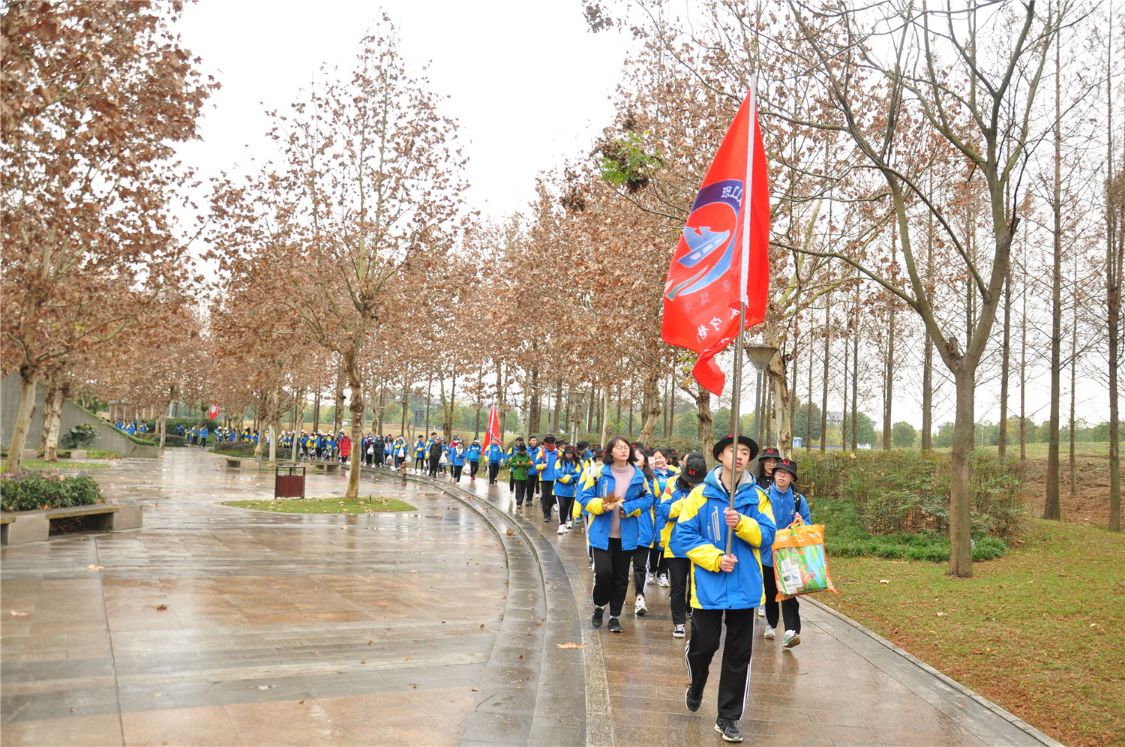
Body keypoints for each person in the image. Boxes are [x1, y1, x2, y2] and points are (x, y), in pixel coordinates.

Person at [673, 434, 776, 743]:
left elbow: (768, 536)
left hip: (745, 588)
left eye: (746, 452)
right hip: (708, 587)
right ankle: (697, 683)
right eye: (735, 451)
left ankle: (728, 717)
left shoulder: (758, 497)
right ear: (721, 456)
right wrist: (716, 559)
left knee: (738, 654)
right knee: (705, 646)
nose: (741, 456)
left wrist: (742, 523)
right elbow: (683, 537)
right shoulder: (700, 495)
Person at [577, 436, 654, 635]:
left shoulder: (638, 475)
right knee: (604, 573)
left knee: (621, 577)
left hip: (627, 534)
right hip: (601, 533)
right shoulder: (598, 472)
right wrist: (601, 506)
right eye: (619, 447)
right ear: (610, 452)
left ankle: (614, 617)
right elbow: (583, 497)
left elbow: (648, 499)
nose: (623, 450)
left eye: (626, 447)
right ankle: (599, 605)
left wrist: (628, 508)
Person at [760, 458, 812, 648]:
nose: (782, 475)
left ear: (792, 478)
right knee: (771, 591)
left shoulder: (798, 499)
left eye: (786, 473)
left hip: (789, 554)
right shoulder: (764, 495)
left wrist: (801, 521)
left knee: (789, 591)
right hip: (767, 552)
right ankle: (771, 624)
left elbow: (808, 522)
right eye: (779, 472)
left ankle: (792, 631)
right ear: (774, 475)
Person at [656, 451, 707, 638]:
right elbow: (664, 511)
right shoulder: (672, 484)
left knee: (696, 583)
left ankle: (692, 612)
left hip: (700, 545)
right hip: (676, 544)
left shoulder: (709, 488)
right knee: (677, 585)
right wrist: (686, 503)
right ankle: (678, 622)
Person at [630, 445, 656, 617]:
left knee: (640, 567)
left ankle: (640, 597)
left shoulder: (651, 482)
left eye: (639, 457)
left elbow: (655, 504)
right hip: (624, 529)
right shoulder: (620, 478)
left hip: (645, 530)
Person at [650, 447, 679, 588]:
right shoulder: (651, 474)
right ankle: (651, 570)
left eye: (661, 457)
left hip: (670, 511)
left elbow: (681, 473)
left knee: (667, 542)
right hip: (656, 513)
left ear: (667, 459)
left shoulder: (673, 474)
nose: (658, 460)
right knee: (656, 542)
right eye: (655, 458)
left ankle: (663, 573)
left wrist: (669, 467)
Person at [553, 448, 582, 535]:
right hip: (559, 487)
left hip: (571, 489)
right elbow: (557, 473)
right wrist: (568, 478)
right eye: (567, 453)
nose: (569, 455)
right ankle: (561, 524)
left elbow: (578, 475)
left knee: (567, 507)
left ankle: (565, 522)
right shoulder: (559, 462)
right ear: (565, 453)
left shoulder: (576, 463)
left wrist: (568, 479)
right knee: (561, 505)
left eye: (571, 453)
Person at [535, 434, 560, 524]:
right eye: (548, 441)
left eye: (551, 441)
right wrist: (542, 466)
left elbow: (563, 463)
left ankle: (549, 509)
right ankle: (546, 514)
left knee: (552, 497)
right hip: (544, 478)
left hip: (555, 478)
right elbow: (536, 465)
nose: (550, 443)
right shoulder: (541, 452)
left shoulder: (558, 453)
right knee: (545, 497)